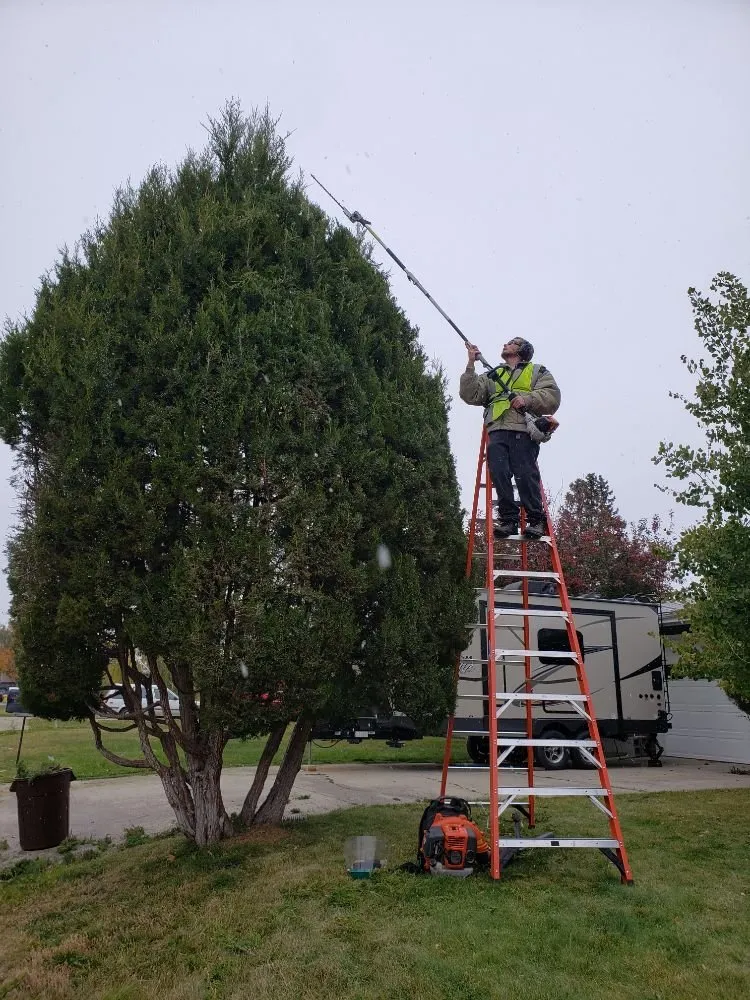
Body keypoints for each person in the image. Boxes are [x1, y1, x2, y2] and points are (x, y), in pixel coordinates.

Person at [459, 337, 561, 540]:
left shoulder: (537, 371)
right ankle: (508, 520)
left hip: (523, 431)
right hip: (497, 430)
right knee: (499, 473)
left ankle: (535, 520)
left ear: (522, 349)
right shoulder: (492, 374)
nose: (505, 344)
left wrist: (527, 399)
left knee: (525, 474)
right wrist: (471, 363)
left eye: (512, 342)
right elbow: (469, 394)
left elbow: (552, 397)